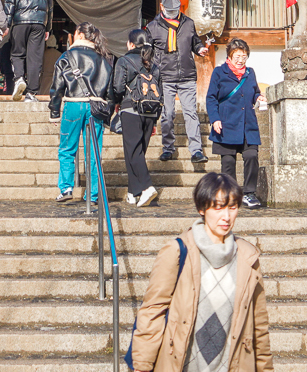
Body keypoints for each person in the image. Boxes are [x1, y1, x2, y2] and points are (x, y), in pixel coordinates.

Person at [128, 172, 272, 372]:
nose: (227, 216)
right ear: (202, 208)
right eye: (219, 207)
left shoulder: (248, 258)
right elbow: (153, 310)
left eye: (233, 207)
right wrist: (142, 365)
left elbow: (259, 327)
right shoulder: (178, 251)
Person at [48, 22, 114, 204]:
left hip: (73, 105)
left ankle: (66, 188)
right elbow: (110, 91)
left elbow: (57, 87)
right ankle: (92, 195)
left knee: (67, 148)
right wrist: (107, 115)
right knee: (93, 152)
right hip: (96, 107)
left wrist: (54, 112)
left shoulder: (66, 56)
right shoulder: (104, 58)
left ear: (78, 34)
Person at [146, 0, 209, 163]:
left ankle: (196, 151)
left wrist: (200, 48)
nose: (173, 13)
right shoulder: (153, 27)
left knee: (191, 113)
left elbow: (195, 41)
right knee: (167, 114)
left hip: (186, 74)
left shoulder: (188, 23)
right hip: (164, 76)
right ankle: (168, 147)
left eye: (175, 10)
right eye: (169, 10)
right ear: (162, 7)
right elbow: (147, 53)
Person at [206, 38, 264, 210]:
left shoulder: (250, 73)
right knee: (229, 162)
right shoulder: (219, 72)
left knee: (251, 156)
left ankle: (249, 193)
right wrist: (215, 118)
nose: (241, 60)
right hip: (227, 123)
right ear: (230, 56)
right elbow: (211, 98)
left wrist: (258, 98)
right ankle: (230, 194)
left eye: (244, 56)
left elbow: (254, 92)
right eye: (237, 56)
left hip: (247, 124)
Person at [113, 28, 163, 207]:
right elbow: (160, 92)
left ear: (131, 44)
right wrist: (156, 119)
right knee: (137, 152)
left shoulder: (124, 61)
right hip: (150, 112)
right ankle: (133, 192)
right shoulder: (154, 64)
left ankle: (147, 187)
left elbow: (118, 87)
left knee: (133, 152)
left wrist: (115, 104)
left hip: (131, 109)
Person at [3, 0, 52, 102]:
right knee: (35, 58)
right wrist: (48, 27)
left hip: (19, 22)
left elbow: (9, 4)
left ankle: (19, 78)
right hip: (38, 23)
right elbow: (50, 7)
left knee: (17, 53)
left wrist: (6, 24)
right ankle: (31, 93)